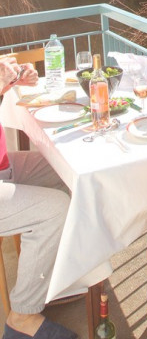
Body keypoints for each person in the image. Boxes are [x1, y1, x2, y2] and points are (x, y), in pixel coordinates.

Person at [0, 56, 77, 339]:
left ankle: (51, 276)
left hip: (3, 168)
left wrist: (14, 77)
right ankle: (22, 316)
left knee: (65, 169)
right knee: (55, 209)